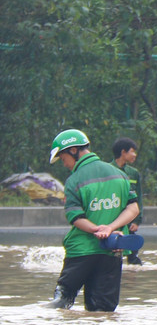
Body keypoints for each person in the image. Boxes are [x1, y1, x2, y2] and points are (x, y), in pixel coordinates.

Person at [47, 129, 140, 311]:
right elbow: (133, 208)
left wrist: (97, 230)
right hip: (112, 249)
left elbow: (76, 217)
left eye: (63, 158)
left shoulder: (74, 180)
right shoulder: (119, 174)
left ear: (73, 150)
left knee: (61, 303)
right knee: (102, 312)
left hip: (81, 250)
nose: (64, 164)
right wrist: (110, 229)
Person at [111, 137, 143, 265]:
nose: (134, 155)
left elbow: (138, 198)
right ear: (123, 152)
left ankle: (132, 275)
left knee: (133, 257)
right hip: (112, 218)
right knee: (113, 253)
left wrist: (137, 220)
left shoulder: (133, 173)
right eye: (132, 151)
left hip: (130, 219)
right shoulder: (108, 170)